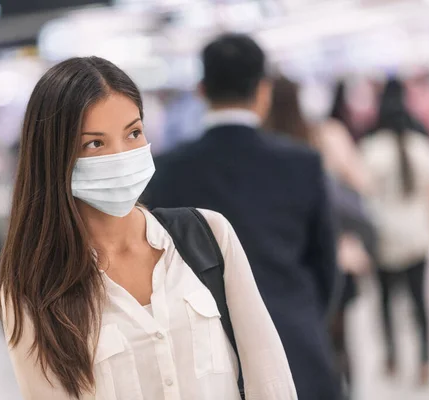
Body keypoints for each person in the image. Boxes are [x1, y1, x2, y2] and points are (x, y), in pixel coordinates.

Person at [0, 56, 296, 400]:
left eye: (134, 133)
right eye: (95, 143)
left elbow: (269, 376)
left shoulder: (209, 236)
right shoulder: (33, 285)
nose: (122, 154)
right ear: (55, 157)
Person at [143, 34, 342, 400]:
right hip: (297, 347)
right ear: (263, 90)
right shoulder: (302, 163)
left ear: (201, 90)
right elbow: (325, 266)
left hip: (208, 364)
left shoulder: (169, 171)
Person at [264, 75, 374, 396]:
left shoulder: (262, 149)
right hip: (334, 251)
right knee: (338, 340)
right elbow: (361, 184)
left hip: (283, 260)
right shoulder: (325, 135)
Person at [359, 78, 429, 384]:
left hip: (384, 237)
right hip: (418, 235)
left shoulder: (371, 150)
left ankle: (391, 356)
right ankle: (425, 360)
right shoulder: (421, 146)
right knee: (420, 302)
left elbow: (362, 193)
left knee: (386, 300)